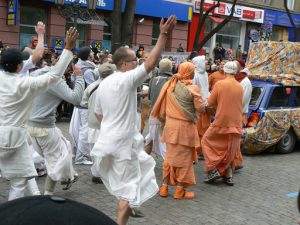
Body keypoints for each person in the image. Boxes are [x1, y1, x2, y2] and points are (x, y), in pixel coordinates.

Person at [91, 15, 177, 225]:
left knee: (141, 167)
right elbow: (150, 64)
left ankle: (132, 204)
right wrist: (163, 35)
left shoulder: (104, 83)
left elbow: (98, 113)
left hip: (110, 139)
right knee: (128, 187)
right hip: (123, 142)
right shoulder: (126, 79)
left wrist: (112, 126)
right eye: (134, 61)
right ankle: (124, 214)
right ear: (124, 64)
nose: (137, 63)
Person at [0, 27, 79, 200]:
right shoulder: (24, 84)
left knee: (25, 173)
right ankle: (12, 215)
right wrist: (68, 49)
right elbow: (54, 76)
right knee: (19, 182)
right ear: (20, 66)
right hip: (14, 138)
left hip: (14, 135)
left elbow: (37, 58)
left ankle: (35, 196)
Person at [27, 60, 84, 195]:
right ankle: (47, 195)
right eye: (70, 69)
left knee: (66, 147)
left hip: (30, 126)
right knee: (56, 161)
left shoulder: (36, 73)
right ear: (67, 67)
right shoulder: (55, 79)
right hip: (44, 127)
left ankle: (69, 175)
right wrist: (80, 77)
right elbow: (75, 99)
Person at [152, 61, 206, 200]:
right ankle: (179, 190)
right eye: (193, 70)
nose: (194, 72)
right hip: (185, 129)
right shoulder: (193, 89)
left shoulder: (170, 85)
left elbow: (162, 109)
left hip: (170, 127)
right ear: (190, 73)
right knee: (184, 160)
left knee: (169, 158)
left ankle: (164, 188)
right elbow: (200, 108)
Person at [201, 61, 243, 186]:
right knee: (229, 149)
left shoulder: (220, 84)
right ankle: (228, 174)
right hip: (236, 122)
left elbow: (210, 103)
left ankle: (213, 170)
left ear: (224, 71)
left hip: (221, 121)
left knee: (206, 142)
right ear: (235, 72)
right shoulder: (239, 86)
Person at [80, 63, 117, 184]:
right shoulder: (114, 87)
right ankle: (105, 173)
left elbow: (83, 103)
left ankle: (96, 173)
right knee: (108, 150)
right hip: (107, 123)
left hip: (92, 123)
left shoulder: (91, 86)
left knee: (95, 150)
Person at [69, 46, 97, 165]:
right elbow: (92, 88)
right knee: (84, 130)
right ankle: (81, 157)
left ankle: (76, 153)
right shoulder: (88, 70)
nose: (93, 54)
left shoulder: (78, 66)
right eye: (91, 52)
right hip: (85, 104)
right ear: (88, 56)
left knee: (78, 129)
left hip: (78, 103)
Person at [144, 58, 173, 158]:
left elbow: (150, 97)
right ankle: (168, 169)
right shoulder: (171, 81)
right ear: (170, 67)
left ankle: (142, 162)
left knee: (150, 139)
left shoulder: (153, 80)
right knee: (164, 142)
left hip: (153, 113)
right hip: (166, 114)